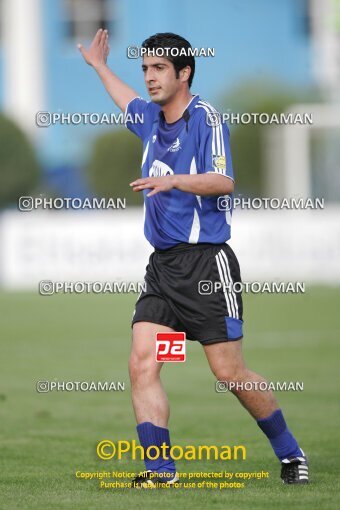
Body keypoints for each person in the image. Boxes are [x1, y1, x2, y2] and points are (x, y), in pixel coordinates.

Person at [78, 30, 309, 487]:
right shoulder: (150, 119)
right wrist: (101, 67)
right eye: (145, 68)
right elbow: (125, 101)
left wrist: (175, 181)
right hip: (163, 272)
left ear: (184, 73)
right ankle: (160, 473)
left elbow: (223, 180)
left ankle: (290, 453)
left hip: (207, 268)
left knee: (228, 372)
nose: (148, 77)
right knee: (142, 362)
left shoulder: (205, 119)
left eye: (159, 68)